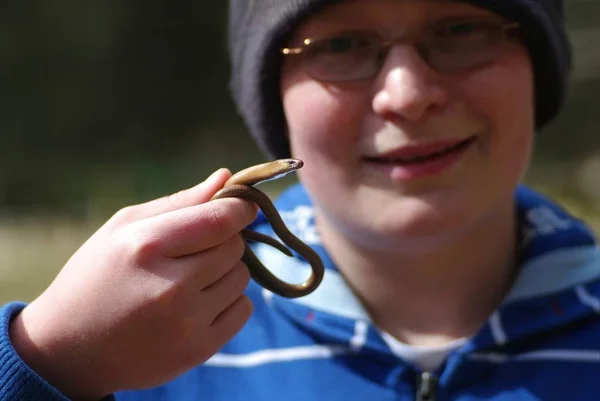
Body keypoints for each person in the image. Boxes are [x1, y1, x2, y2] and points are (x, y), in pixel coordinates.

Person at [1, 0, 599, 399]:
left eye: (461, 29)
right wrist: (47, 363)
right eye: (340, 45)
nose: (409, 94)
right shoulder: (145, 344)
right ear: (271, 103)